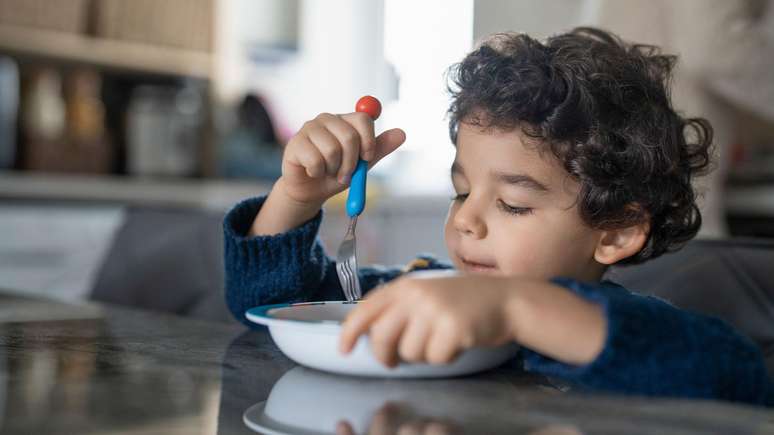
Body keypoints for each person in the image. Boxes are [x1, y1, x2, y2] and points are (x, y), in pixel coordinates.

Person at [222, 27, 774, 406]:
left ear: (618, 231)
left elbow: (737, 375)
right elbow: (273, 306)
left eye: (513, 204)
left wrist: (517, 309)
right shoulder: (425, 291)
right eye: (461, 193)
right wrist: (296, 197)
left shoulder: (619, 332)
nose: (466, 222)